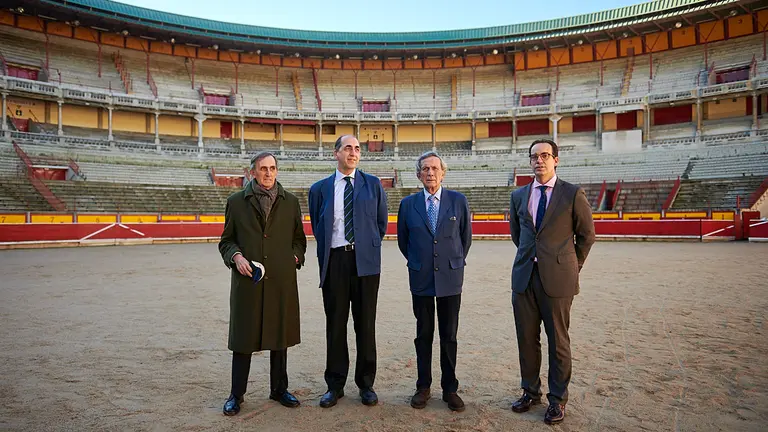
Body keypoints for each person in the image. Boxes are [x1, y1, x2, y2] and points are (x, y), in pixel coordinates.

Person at [508, 138, 595, 425]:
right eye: (534, 156)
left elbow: (586, 236)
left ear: (556, 159)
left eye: (545, 155)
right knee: (526, 339)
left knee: (558, 341)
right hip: (524, 277)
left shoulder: (572, 193)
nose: (539, 160)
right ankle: (531, 392)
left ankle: (557, 399)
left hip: (558, 279)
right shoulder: (519, 195)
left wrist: (572, 266)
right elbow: (518, 236)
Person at [218, 152, 307, 416]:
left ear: (277, 171)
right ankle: (237, 394)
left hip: (281, 279)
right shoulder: (236, 202)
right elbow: (226, 241)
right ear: (252, 172)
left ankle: (279, 389)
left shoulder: (290, 201)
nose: (268, 173)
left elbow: (299, 240)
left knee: (280, 337)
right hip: (249, 282)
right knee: (243, 339)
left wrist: (295, 257)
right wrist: (236, 257)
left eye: (272, 168)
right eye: (263, 169)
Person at [308, 135, 388, 408]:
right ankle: (335, 384)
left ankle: (366, 384)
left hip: (365, 263)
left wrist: (364, 247)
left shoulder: (373, 185)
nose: (353, 153)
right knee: (335, 325)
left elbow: (381, 224)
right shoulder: (319, 189)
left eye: (357, 149)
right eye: (347, 148)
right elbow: (318, 228)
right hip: (335, 263)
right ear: (336, 153)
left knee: (365, 324)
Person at [396, 151, 471, 412]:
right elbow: (403, 242)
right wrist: (421, 262)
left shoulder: (458, 201)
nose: (430, 173)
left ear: (443, 173)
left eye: (435, 169)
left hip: (450, 278)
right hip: (421, 277)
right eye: (425, 169)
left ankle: (450, 389)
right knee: (423, 334)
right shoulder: (408, 204)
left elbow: (465, 239)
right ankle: (423, 386)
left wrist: (450, 263)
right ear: (418, 175)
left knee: (449, 335)